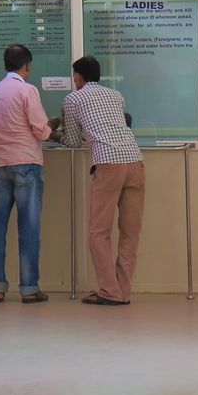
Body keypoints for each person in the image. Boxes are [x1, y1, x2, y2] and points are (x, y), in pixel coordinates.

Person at [50, 56, 145, 306]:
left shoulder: (73, 99)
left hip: (108, 164)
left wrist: (53, 134)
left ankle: (108, 291)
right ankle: (122, 290)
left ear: (78, 76)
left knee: (98, 232)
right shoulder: (116, 95)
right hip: (135, 161)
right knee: (130, 232)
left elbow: (72, 140)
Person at [0, 44, 52, 304]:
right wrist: (50, 129)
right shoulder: (27, 90)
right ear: (27, 66)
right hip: (26, 164)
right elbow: (40, 129)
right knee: (29, 228)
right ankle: (29, 289)